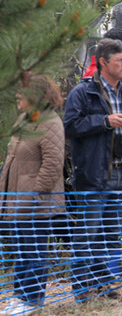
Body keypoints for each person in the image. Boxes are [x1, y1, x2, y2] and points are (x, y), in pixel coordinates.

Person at [63, 39, 122, 299]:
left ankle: (104, 286)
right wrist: (104, 121)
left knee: (112, 236)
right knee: (86, 237)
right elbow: (71, 126)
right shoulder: (82, 92)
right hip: (93, 177)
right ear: (103, 62)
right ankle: (83, 292)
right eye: (120, 60)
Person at [0, 74, 65, 315]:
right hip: (17, 202)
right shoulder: (24, 120)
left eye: (22, 92)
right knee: (22, 252)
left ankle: (32, 301)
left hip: (36, 204)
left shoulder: (50, 123)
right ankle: (19, 297)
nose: (17, 95)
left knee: (34, 252)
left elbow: (52, 165)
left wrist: (35, 196)